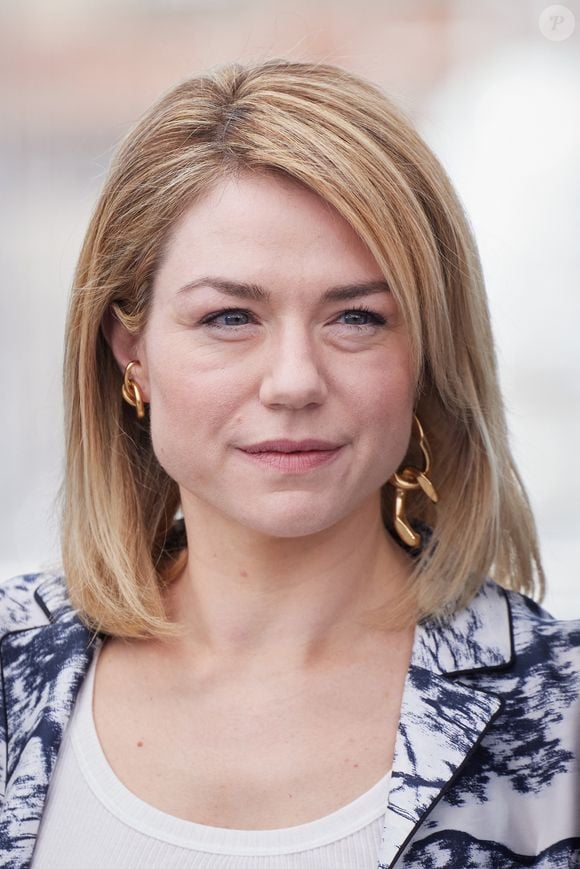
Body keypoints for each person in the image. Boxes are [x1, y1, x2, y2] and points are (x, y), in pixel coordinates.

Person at [0, 58, 578, 869]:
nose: (296, 381)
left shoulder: (563, 714)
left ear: (428, 353)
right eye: (230, 315)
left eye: (357, 317)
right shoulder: (10, 665)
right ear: (131, 351)